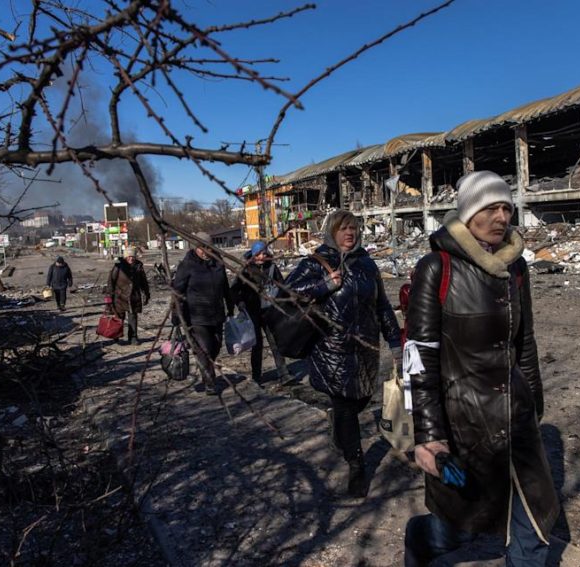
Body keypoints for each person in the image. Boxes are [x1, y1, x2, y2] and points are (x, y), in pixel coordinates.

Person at [403, 171, 560, 566]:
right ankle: (422, 538)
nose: (501, 216)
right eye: (490, 207)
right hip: (465, 426)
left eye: (507, 207)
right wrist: (429, 436)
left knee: (533, 531)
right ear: (468, 212)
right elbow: (419, 355)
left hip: (517, 421)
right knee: (455, 530)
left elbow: (524, 342)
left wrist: (533, 406)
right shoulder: (437, 268)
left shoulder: (516, 268)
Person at [285, 210, 401, 497]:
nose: (350, 233)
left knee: (361, 399)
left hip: (365, 349)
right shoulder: (316, 263)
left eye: (353, 228)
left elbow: (383, 306)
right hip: (331, 349)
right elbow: (285, 294)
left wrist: (395, 342)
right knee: (347, 406)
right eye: (343, 228)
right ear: (332, 231)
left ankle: (338, 426)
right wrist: (324, 286)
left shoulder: (366, 263)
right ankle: (357, 464)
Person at [172, 231, 234, 395]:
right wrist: (176, 314)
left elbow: (225, 287)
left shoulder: (218, 263)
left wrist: (231, 305)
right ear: (196, 248)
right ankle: (210, 383)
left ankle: (208, 372)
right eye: (201, 247)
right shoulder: (187, 265)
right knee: (203, 349)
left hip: (216, 313)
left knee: (215, 347)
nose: (204, 251)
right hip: (196, 315)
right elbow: (177, 290)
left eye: (207, 247)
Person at [230, 241, 289, 385]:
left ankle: (284, 374)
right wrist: (240, 303)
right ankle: (256, 377)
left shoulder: (272, 267)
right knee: (257, 345)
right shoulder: (246, 269)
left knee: (275, 342)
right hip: (253, 312)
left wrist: (281, 300)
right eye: (259, 254)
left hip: (269, 311)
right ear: (253, 254)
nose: (262, 256)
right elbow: (235, 290)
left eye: (264, 253)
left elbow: (282, 285)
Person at [107, 248, 150, 346]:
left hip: (134, 297)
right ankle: (116, 336)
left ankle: (133, 337)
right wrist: (109, 296)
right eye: (129, 256)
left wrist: (146, 294)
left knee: (133, 317)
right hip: (120, 297)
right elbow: (111, 282)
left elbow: (144, 282)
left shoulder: (139, 266)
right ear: (125, 257)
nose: (131, 258)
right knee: (119, 318)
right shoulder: (118, 266)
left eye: (133, 256)